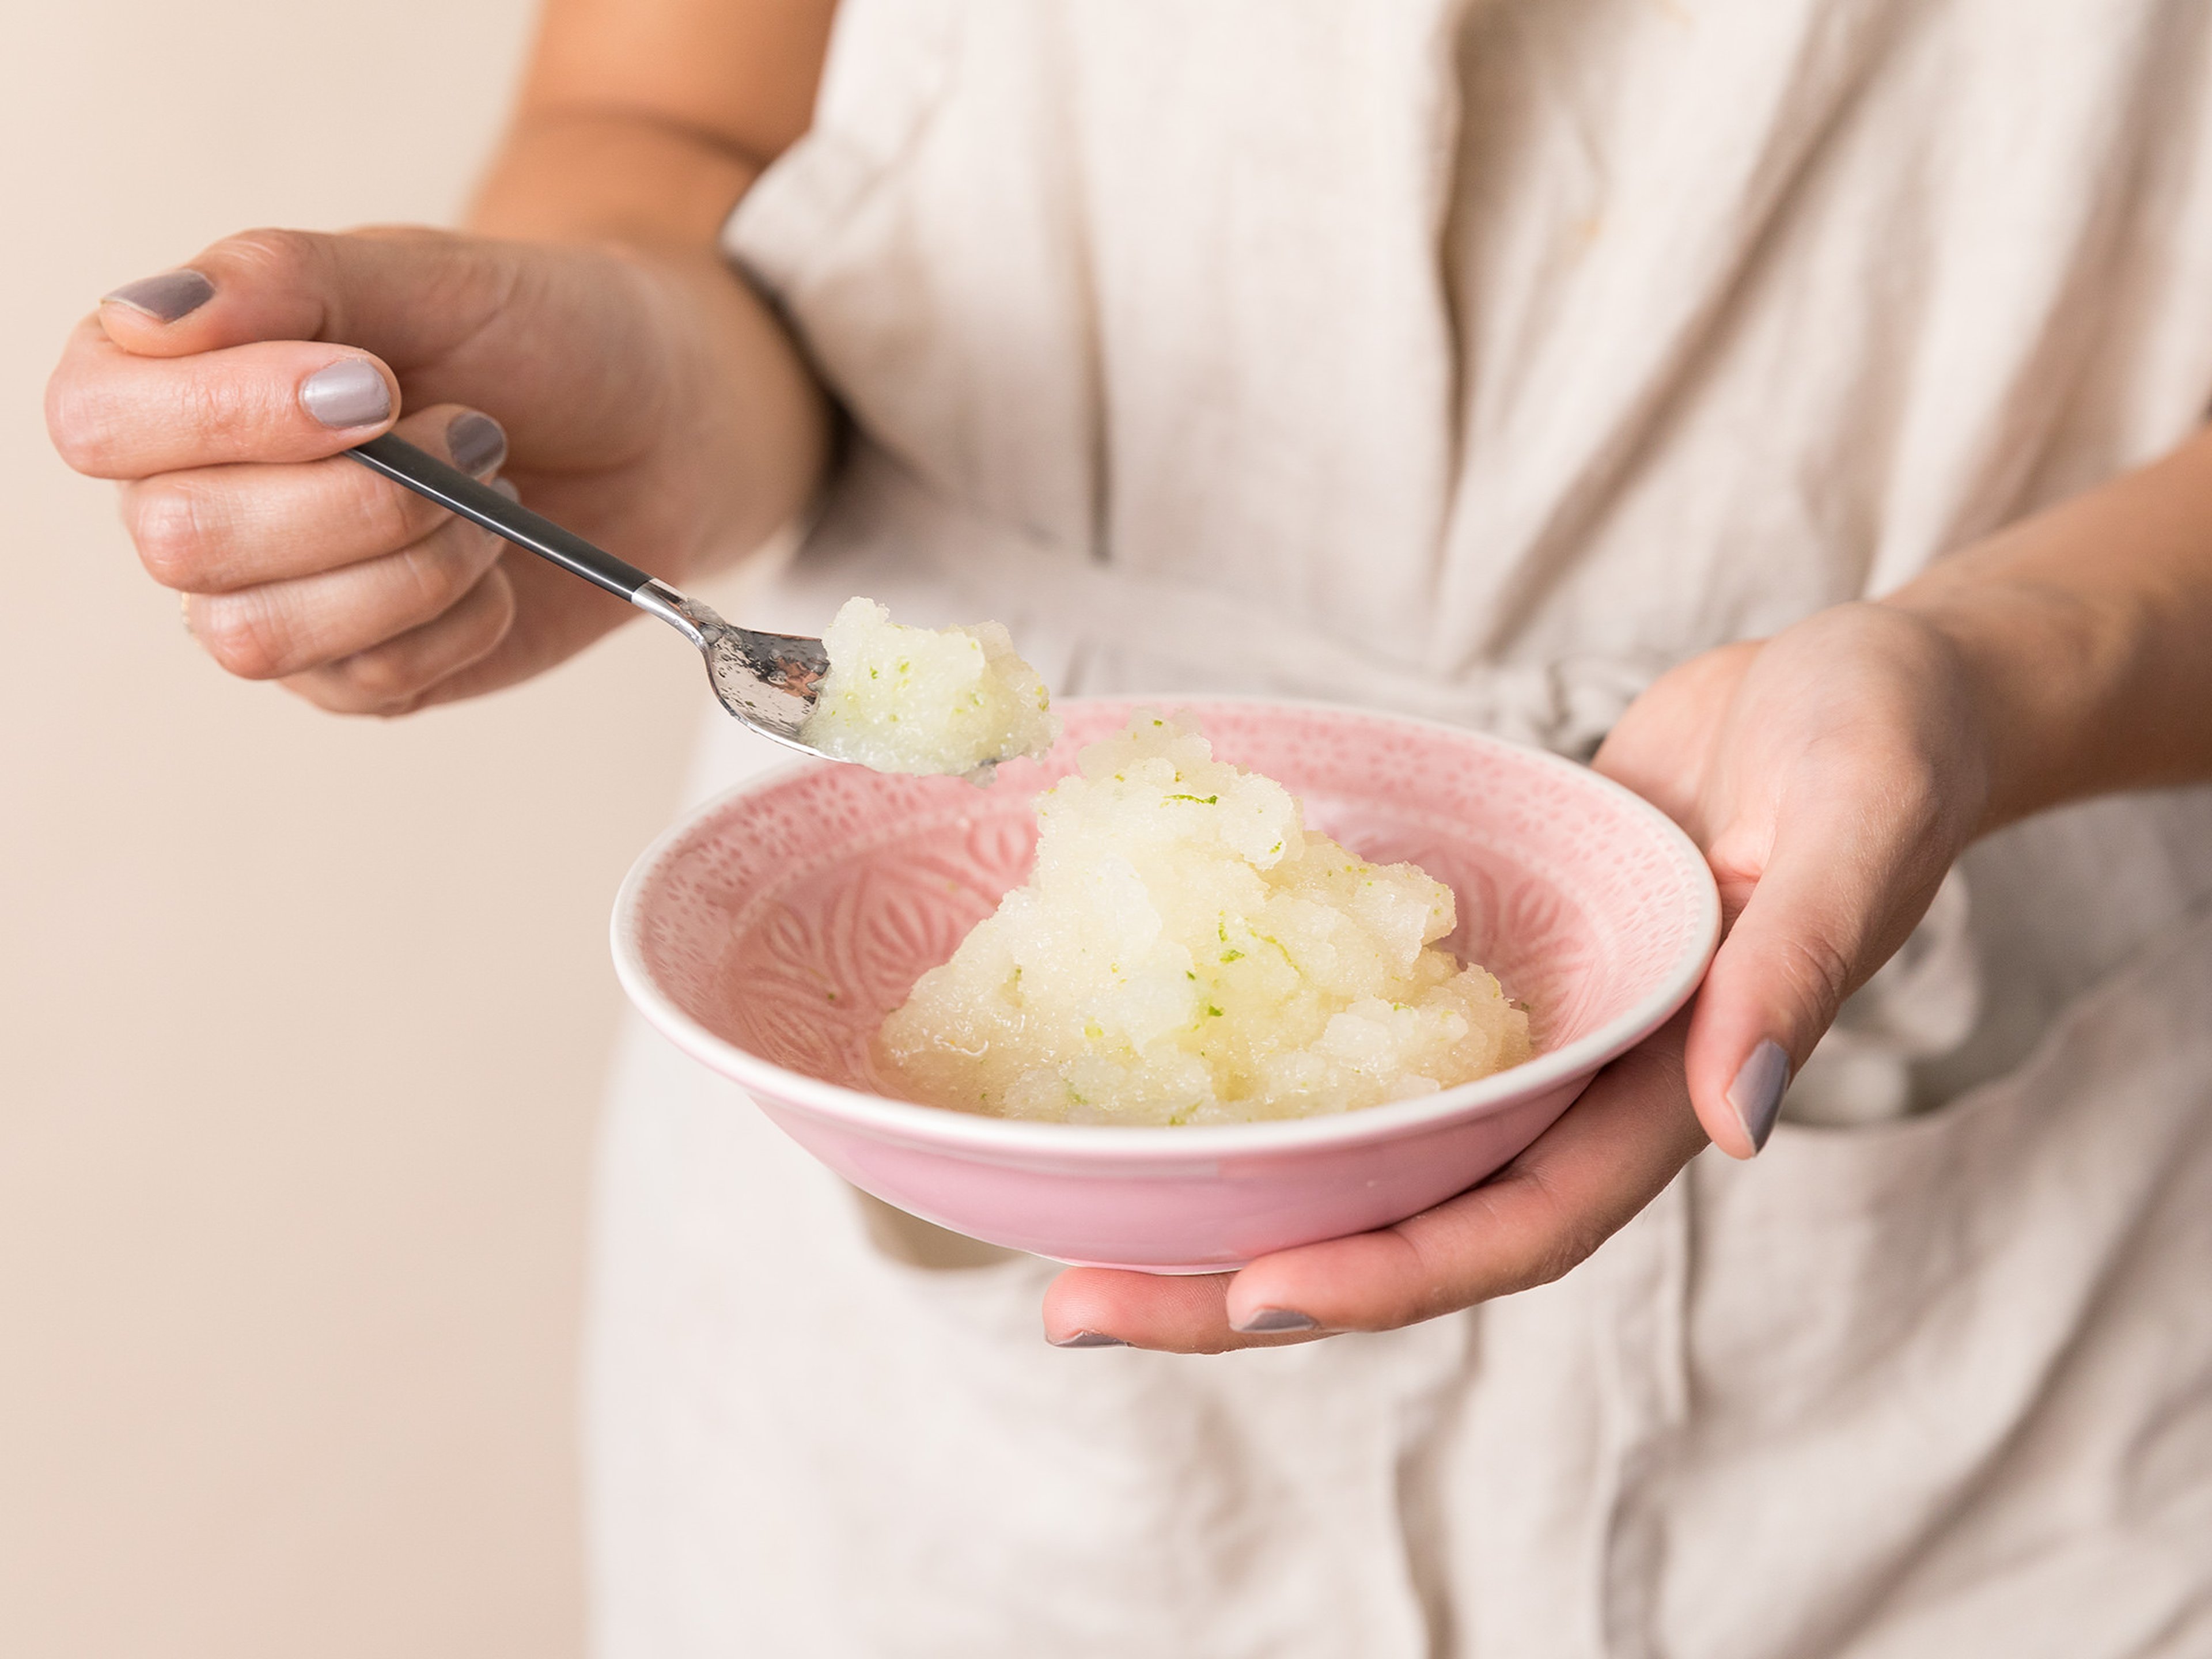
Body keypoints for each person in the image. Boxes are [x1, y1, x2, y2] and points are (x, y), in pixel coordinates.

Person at [47, 0, 2212, 1651]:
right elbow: (678, 113)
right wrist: (631, 377)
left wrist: (2000, 669)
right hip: (920, 1443)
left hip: (1988, 1374)